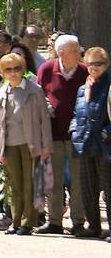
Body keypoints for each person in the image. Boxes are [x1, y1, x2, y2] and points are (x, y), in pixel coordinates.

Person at [0, 52, 52, 235]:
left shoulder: (35, 90)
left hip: (30, 144)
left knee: (30, 184)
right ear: (2, 73)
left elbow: (44, 119)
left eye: (17, 69)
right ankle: (15, 222)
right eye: (8, 70)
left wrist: (46, 146)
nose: (13, 73)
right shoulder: (1, 93)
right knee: (14, 185)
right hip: (9, 145)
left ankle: (28, 222)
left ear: (23, 70)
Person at [35, 34, 88, 234]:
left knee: (78, 181)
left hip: (77, 136)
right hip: (53, 133)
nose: (78, 53)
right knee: (53, 180)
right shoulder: (47, 69)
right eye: (74, 50)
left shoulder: (84, 71)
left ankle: (77, 222)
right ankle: (55, 221)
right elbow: (38, 94)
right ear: (61, 53)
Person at [68, 47, 110, 239]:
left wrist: (106, 133)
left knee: (108, 190)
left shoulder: (109, 86)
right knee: (87, 187)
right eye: (90, 63)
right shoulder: (82, 89)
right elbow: (76, 114)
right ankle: (93, 226)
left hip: (105, 146)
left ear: (106, 65)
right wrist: (74, 130)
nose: (94, 67)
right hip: (83, 143)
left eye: (98, 64)